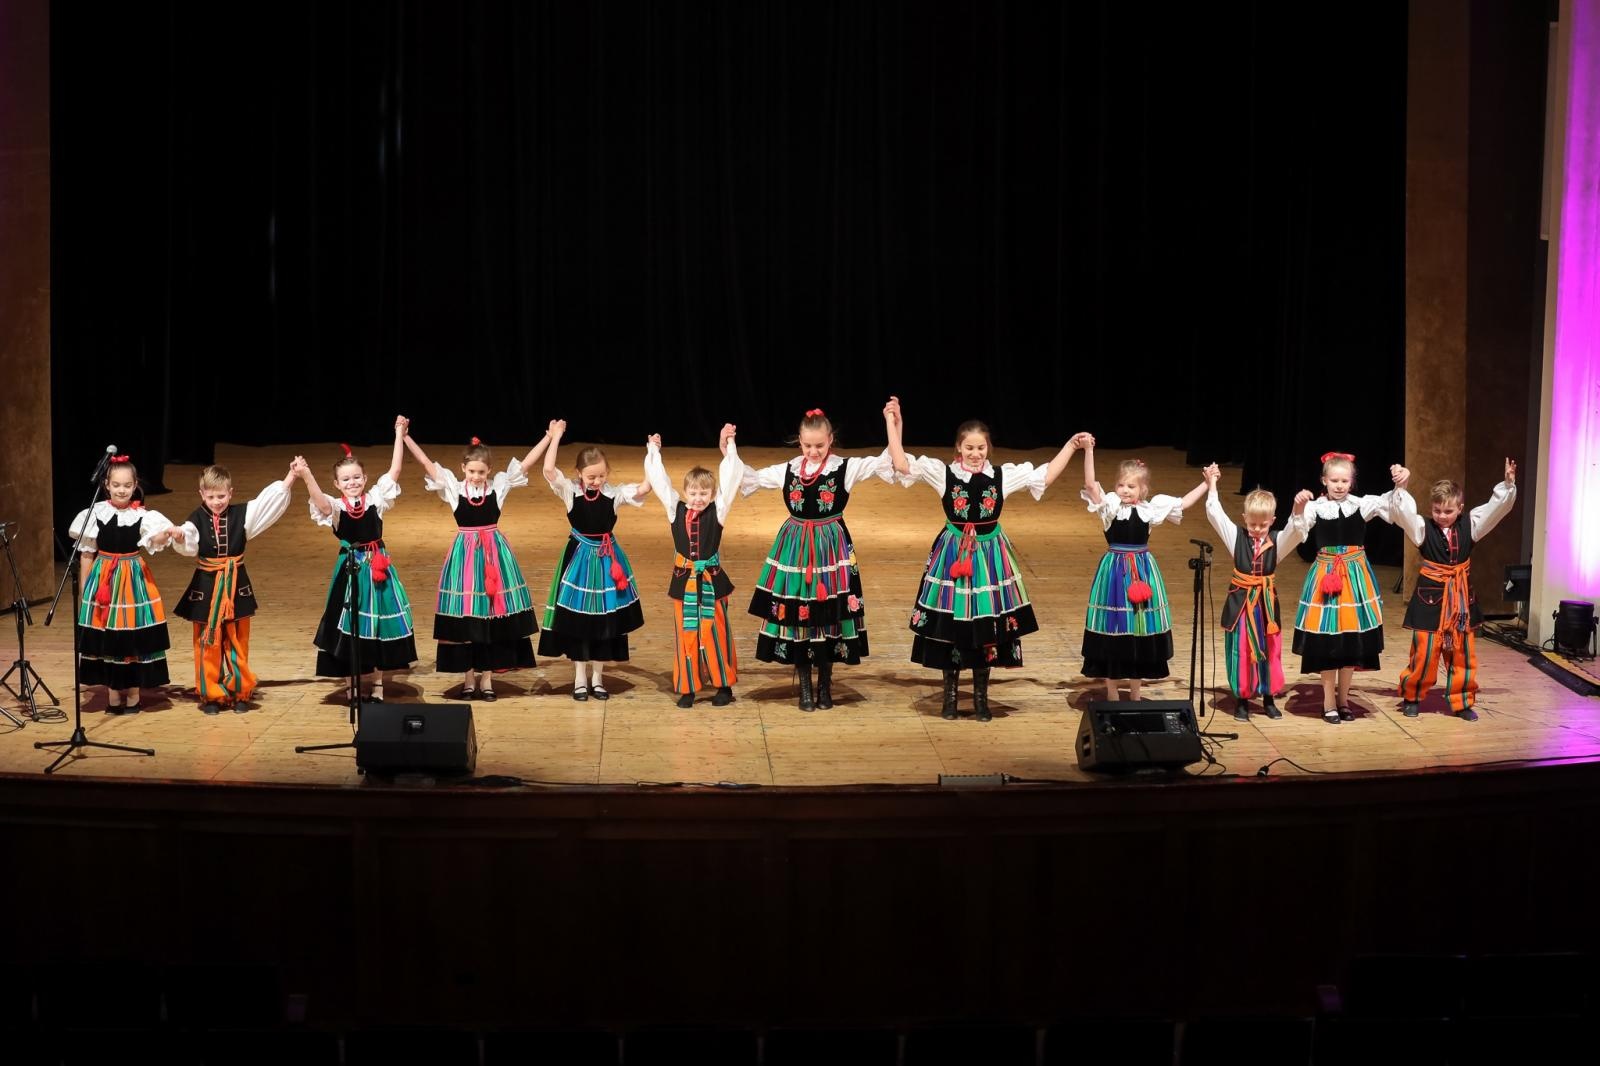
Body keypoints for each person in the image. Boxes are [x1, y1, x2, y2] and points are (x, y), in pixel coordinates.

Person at [740, 405, 898, 711]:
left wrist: (892, 422)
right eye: (807, 445)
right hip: (796, 549)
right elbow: (747, 477)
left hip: (832, 551)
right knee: (800, 612)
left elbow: (888, 459)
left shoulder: (844, 468)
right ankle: (804, 686)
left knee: (829, 615)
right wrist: (729, 449)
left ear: (831, 440)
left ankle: (825, 684)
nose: (813, 452)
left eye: (820, 446)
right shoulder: (787, 470)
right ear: (799, 442)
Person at [403, 429, 553, 701]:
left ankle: (487, 680)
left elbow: (526, 464)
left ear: (489, 471)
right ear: (463, 468)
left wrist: (549, 437)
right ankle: (469, 679)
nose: (476, 476)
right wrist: (405, 437)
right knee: (468, 619)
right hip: (465, 558)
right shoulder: (454, 488)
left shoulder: (498, 486)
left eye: (481, 472)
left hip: (494, 557)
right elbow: (426, 463)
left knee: (492, 617)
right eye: (471, 471)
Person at [296, 417, 418, 702]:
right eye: (346, 479)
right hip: (351, 568)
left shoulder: (375, 499)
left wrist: (398, 433)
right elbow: (320, 501)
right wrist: (306, 474)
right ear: (337, 484)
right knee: (349, 626)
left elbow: (395, 469)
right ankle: (351, 683)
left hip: (377, 567)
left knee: (377, 625)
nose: (352, 482)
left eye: (356, 478)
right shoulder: (337, 507)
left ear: (364, 478)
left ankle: (377, 684)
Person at [1079, 445, 1208, 701]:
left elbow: (1184, 502)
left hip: (1142, 571)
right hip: (1115, 573)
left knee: (1138, 631)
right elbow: (1091, 485)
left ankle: (1135, 694)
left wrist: (1206, 482)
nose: (1125, 490)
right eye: (1121, 485)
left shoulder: (1151, 509)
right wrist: (1088, 450)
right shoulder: (1111, 507)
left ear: (1143, 489)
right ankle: (1112, 693)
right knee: (1113, 629)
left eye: (1131, 486)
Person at [1395, 459, 1518, 721]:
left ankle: (1462, 701)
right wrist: (1401, 487)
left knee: (1462, 652)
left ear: (1460, 509)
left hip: (1460, 599)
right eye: (1437, 510)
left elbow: (1495, 510)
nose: (1442, 515)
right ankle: (1412, 696)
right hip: (1430, 599)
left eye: (1448, 511)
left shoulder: (1470, 525)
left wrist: (1508, 485)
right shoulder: (1422, 528)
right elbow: (1404, 514)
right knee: (1425, 651)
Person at [169, 461, 296, 713]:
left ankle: (240, 691)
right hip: (207, 587)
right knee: (208, 641)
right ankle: (212, 694)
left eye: (221, 496)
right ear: (202, 494)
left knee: (238, 640)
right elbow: (188, 539)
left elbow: (266, 504)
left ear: (230, 493)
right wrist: (180, 537)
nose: (216, 502)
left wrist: (291, 476)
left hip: (236, 585)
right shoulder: (196, 519)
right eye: (211, 497)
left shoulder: (241, 514)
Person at [539, 420, 650, 701]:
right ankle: (580, 679)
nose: (596, 481)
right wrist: (556, 437)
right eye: (591, 476)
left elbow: (644, 488)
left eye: (601, 476)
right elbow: (549, 470)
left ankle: (598, 679)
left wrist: (652, 454)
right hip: (579, 561)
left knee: (604, 621)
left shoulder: (613, 494)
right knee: (579, 622)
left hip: (607, 561)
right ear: (579, 473)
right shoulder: (570, 491)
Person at [642, 424, 743, 708]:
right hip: (684, 581)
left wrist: (730, 444)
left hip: (711, 579)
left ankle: (723, 685)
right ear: (685, 492)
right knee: (686, 632)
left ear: (712, 494)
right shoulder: (675, 509)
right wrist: (653, 451)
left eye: (704, 493)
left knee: (715, 631)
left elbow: (732, 476)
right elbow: (660, 482)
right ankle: (688, 687)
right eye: (694, 493)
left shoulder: (718, 510)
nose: (698, 499)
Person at [68, 455, 178, 713]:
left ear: (135, 485)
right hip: (104, 579)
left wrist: (166, 534)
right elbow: (86, 554)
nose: (121, 490)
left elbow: (155, 539)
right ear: (106, 484)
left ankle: (134, 695)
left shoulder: (142, 515)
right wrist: (86, 590)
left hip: (132, 580)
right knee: (108, 637)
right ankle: (113, 695)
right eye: (116, 484)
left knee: (132, 637)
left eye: (127, 485)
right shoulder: (95, 514)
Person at [1201, 463, 1306, 721]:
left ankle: (1268, 698)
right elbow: (1215, 514)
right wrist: (1212, 483)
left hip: (1265, 606)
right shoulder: (1236, 537)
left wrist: (1298, 508)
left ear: (1272, 521)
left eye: (1263, 524)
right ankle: (1242, 699)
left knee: (1269, 649)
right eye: (1252, 524)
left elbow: (1296, 531)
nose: (1257, 529)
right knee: (1241, 651)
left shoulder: (1276, 541)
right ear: (1244, 518)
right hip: (1240, 605)